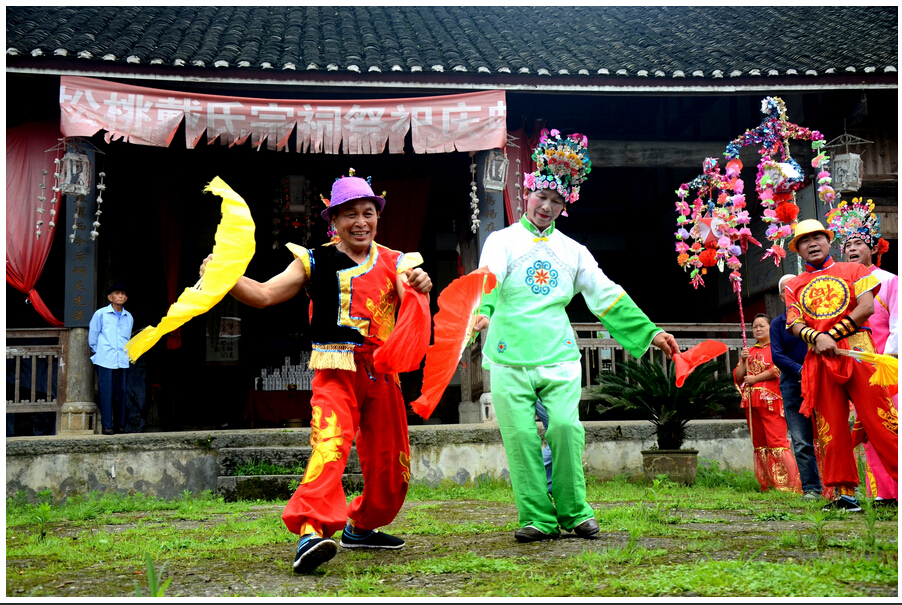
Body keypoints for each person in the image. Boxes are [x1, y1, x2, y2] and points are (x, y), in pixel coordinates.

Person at [200, 171, 432, 573]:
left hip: (381, 374)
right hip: (335, 371)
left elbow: (408, 291)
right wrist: (224, 276)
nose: (361, 222)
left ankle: (362, 527)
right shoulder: (313, 260)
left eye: (368, 213)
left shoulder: (396, 261)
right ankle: (311, 531)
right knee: (330, 446)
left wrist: (421, 284)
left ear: (377, 216)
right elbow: (265, 294)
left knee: (393, 471)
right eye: (350, 215)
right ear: (334, 221)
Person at [472, 129, 679, 542]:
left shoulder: (574, 251)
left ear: (565, 205)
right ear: (527, 193)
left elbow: (606, 295)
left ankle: (574, 510)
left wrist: (650, 332)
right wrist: (484, 310)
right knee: (520, 438)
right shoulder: (502, 241)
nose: (546, 206)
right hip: (509, 353)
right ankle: (537, 517)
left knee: (566, 429)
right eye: (541, 197)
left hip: (558, 353)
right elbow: (488, 277)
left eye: (556, 201)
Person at [784, 219, 898, 513]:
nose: (812, 243)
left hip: (857, 349)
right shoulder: (794, 285)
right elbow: (794, 323)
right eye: (804, 240)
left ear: (828, 241)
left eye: (817, 237)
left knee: (881, 419)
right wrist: (817, 339)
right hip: (820, 357)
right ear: (798, 250)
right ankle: (845, 494)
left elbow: (866, 308)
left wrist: (830, 335)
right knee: (830, 427)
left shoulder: (855, 270)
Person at [829, 198, 898, 507]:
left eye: (858, 243)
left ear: (873, 248)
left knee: (889, 425)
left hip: (886, 366)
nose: (852, 249)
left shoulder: (889, 281)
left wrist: (891, 359)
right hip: (857, 368)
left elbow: (897, 323)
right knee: (867, 429)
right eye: (847, 245)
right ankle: (882, 492)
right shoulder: (842, 283)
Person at [734, 313, 803, 494]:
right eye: (755, 327)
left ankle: (788, 484)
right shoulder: (750, 351)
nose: (758, 329)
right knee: (760, 444)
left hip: (772, 400)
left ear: (770, 328)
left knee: (776, 442)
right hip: (752, 402)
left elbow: (779, 368)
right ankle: (768, 483)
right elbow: (739, 377)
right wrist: (743, 360)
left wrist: (756, 378)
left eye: (762, 326)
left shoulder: (776, 348)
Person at [770, 274, 823, 498]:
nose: (793, 291)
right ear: (782, 296)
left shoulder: (818, 318)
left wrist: (813, 372)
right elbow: (777, 356)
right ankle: (812, 489)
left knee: (831, 435)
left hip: (822, 381)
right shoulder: (778, 324)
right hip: (793, 384)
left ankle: (844, 488)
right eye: (787, 289)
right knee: (801, 441)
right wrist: (802, 371)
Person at [88, 283, 134, 435]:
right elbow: (93, 335)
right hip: (105, 359)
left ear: (126, 298)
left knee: (121, 393)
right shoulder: (101, 314)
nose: (120, 296)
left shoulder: (129, 317)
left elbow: (128, 338)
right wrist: (98, 352)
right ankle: (107, 426)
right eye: (117, 293)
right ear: (110, 297)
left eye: (123, 294)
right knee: (106, 393)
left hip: (122, 359)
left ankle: (120, 425)